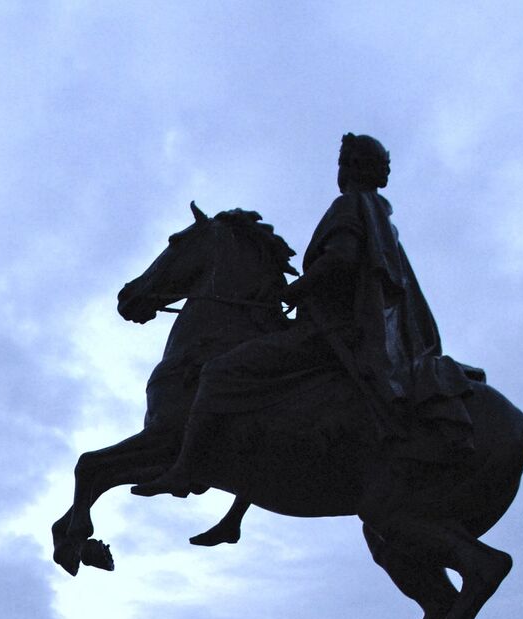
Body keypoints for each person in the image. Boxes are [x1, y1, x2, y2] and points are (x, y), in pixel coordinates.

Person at [133, 133, 475, 500]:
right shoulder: (378, 215)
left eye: (342, 162)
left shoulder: (349, 207)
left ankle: (186, 470)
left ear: (347, 168)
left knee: (220, 372)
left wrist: (292, 291)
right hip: (353, 329)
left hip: (331, 332)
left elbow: (341, 258)